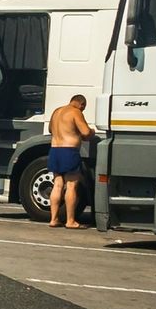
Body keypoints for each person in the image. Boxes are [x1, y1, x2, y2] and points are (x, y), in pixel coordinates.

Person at [47, 94, 94, 229]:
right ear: (81, 104)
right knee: (72, 185)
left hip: (55, 150)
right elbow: (85, 132)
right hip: (69, 151)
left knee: (57, 185)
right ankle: (70, 220)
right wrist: (92, 132)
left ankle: (54, 219)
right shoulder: (75, 112)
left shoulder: (57, 111)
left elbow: (51, 130)